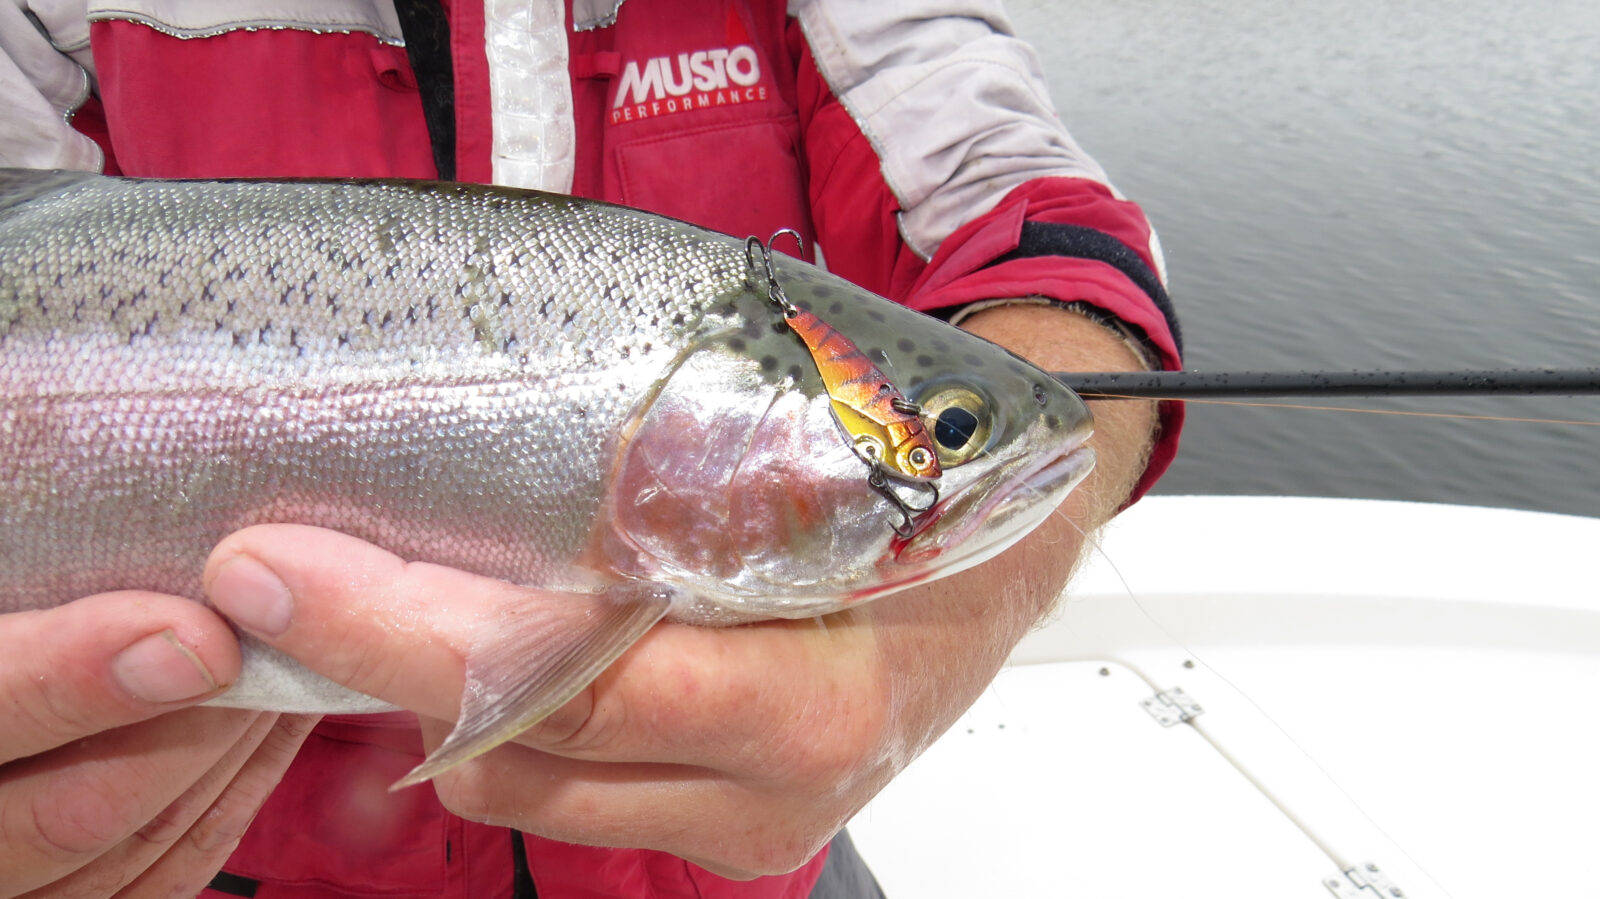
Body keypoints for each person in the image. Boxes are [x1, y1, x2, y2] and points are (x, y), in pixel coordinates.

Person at [0, 1, 1183, 896]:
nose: (952, 451)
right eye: (950, 435)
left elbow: (1048, 238)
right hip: (211, 844)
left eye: (946, 433)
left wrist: (933, 647)